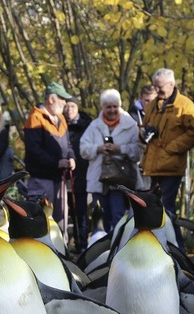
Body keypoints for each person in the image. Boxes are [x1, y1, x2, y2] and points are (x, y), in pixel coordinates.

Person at [140, 68, 194, 249]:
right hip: (152, 165)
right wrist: (143, 133)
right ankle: (160, 246)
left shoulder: (185, 105)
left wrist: (171, 149)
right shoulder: (153, 104)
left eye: (159, 87)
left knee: (166, 208)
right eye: (155, 86)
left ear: (171, 85)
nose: (157, 90)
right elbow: (145, 127)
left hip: (171, 166)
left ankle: (176, 248)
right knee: (155, 209)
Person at [80, 88, 141, 232]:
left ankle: (119, 248)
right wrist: (98, 149)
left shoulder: (131, 125)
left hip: (121, 180)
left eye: (115, 106)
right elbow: (83, 149)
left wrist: (120, 149)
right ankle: (103, 250)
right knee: (100, 217)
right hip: (98, 180)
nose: (112, 110)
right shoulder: (94, 126)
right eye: (109, 107)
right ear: (103, 107)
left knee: (119, 216)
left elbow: (138, 152)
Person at [23, 81, 76, 225]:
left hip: (60, 178)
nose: (65, 103)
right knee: (41, 219)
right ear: (51, 99)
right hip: (42, 179)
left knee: (61, 219)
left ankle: (61, 247)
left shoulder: (61, 118)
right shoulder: (35, 118)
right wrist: (56, 163)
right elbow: (33, 150)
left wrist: (71, 157)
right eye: (62, 99)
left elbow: (68, 144)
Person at [64, 96, 93, 252]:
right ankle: (70, 242)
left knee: (81, 210)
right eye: (67, 107)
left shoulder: (87, 125)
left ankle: (82, 243)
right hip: (65, 173)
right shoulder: (60, 124)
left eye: (72, 107)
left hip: (82, 172)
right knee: (68, 210)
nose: (69, 110)